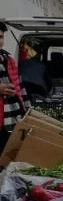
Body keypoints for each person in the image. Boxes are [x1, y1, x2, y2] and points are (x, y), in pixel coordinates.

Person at [0, 22, 30, 153]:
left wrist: (28, 112)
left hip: (12, 119)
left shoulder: (8, 58)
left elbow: (20, 87)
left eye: (1, 37)